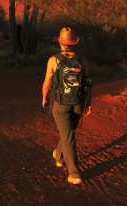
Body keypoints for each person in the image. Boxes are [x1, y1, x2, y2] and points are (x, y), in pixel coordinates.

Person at [41, 27, 92, 185]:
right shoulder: (83, 60)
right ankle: (58, 156)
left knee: (68, 135)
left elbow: (47, 83)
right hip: (77, 102)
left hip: (60, 103)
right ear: (74, 42)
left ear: (60, 43)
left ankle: (74, 173)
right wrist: (88, 103)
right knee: (69, 133)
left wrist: (44, 98)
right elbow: (88, 83)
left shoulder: (53, 60)